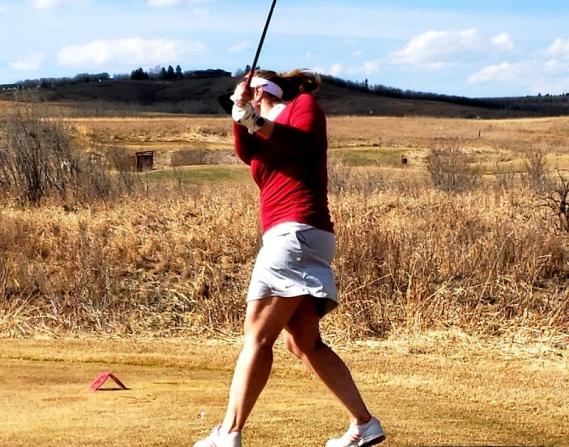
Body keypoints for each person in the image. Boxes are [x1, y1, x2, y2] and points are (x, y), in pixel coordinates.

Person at [194, 69, 385, 447]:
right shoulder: (261, 133)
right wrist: (240, 117)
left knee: (257, 337)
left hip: (294, 234)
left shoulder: (303, 106)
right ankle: (364, 425)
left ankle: (228, 433)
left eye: (245, 94)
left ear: (260, 92)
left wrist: (251, 117)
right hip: (299, 237)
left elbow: (300, 142)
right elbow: (246, 152)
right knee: (303, 342)